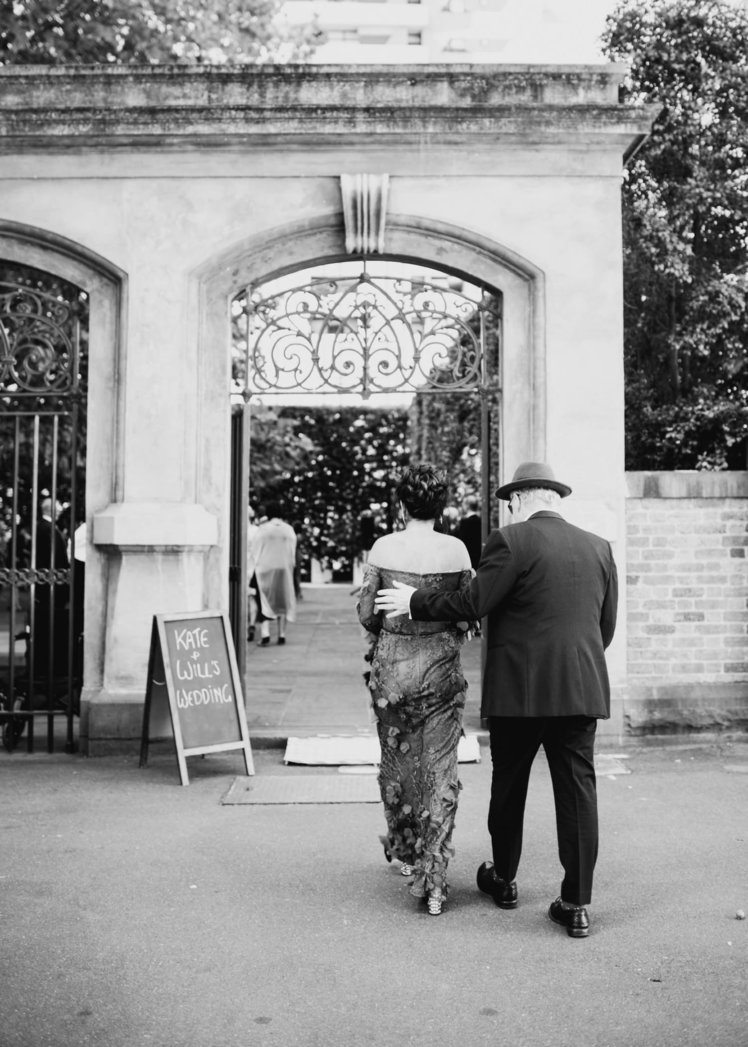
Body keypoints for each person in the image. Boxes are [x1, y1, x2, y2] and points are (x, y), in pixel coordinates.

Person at [375, 461, 618, 938]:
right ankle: (576, 904)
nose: (508, 509)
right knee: (578, 794)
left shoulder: (511, 542)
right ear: (553, 496)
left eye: (509, 502)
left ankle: (504, 880)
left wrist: (413, 602)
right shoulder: (600, 547)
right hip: (581, 689)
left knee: (510, 788)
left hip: (518, 695)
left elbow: (473, 603)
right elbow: (603, 629)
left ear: (522, 498)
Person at [356, 464, 475, 916]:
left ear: (402, 503)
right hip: (441, 670)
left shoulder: (385, 547)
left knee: (399, 765)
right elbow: (468, 613)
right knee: (440, 770)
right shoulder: (458, 549)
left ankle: (406, 852)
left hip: (392, 672)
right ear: (441, 505)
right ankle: (436, 880)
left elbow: (368, 613)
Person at [250, 503, 297, 646]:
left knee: (264, 600)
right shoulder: (289, 530)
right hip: (284, 569)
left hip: (265, 569)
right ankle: (281, 634)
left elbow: (255, 550)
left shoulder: (263, 529)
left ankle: (265, 634)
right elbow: (292, 552)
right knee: (283, 600)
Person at [455, 494, 482, 569]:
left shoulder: (465, 522)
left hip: (468, 556)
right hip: (479, 557)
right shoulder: (481, 521)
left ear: (467, 506)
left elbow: (461, 540)